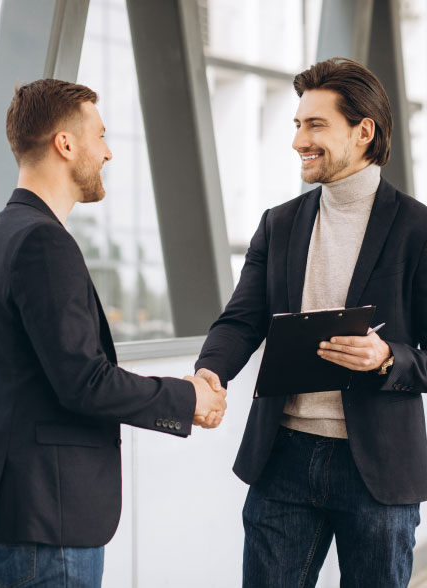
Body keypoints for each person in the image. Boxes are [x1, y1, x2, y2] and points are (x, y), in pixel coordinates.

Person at [0, 79, 226, 588]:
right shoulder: (43, 243)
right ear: (66, 144)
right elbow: (84, 381)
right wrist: (187, 397)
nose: (107, 152)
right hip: (45, 521)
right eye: (101, 136)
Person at [195, 57, 427, 587]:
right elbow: (240, 320)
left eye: (314, 124)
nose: (299, 138)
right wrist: (210, 370)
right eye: (297, 124)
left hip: (377, 471)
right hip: (283, 460)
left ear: (363, 131)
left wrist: (389, 356)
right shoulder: (279, 224)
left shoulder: (417, 229)